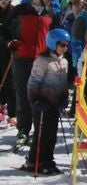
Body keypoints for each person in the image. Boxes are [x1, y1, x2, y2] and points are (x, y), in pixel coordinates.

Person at [8, 0, 57, 147]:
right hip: (21, 58)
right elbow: (5, 30)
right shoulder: (20, 10)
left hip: (42, 60)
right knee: (23, 96)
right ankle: (23, 131)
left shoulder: (50, 13)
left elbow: (54, 36)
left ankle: (39, 130)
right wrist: (10, 42)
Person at [20, 29, 70, 175]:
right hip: (41, 104)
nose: (65, 48)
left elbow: (63, 83)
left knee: (52, 135)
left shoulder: (64, 62)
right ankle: (35, 161)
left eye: (67, 45)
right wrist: (35, 100)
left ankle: (47, 160)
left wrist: (64, 98)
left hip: (54, 104)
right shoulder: (42, 61)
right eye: (62, 44)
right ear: (53, 43)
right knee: (42, 134)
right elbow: (33, 82)